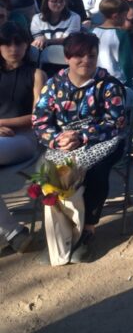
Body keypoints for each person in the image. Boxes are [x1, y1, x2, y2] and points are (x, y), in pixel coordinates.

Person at [32, 32, 127, 262]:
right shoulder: (54, 85)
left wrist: (82, 136)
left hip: (103, 141)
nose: (86, 60)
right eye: (79, 56)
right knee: (48, 173)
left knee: (96, 171)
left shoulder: (108, 85)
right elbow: (40, 120)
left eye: (91, 56)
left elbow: (114, 122)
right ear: (67, 57)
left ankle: (88, 231)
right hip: (63, 141)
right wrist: (58, 139)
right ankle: (59, 234)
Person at [0, 23, 46, 253]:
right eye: (6, 43)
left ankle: (10, 231)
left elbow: (38, 117)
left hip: (26, 139)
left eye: (18, 42)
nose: (13, 48)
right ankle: (13, 232)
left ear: (27, 44)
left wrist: (1, 124)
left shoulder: (37, 74)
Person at [92, 0, 133, 86]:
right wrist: (129, 82)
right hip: (117, 81)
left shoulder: (93, 31)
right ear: (115, 16)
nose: (125, 19)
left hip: (96, 79)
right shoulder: (121, 34)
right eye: (124, 16)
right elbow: (126, 62)